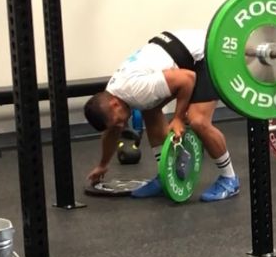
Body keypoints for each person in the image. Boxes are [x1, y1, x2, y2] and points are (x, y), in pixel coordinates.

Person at [83, 30, 240, 202]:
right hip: (180, 54)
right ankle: (164, 175)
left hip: (205, 55)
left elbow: (187, 79)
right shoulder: (113, 96)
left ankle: (230, 179)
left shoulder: (136, 90)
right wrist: (103, 165)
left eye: (118, 121)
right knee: (149, 110)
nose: (121, 125)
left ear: (114, 104)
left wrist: (179, 118)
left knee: (198, 121)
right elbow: (111, 131)